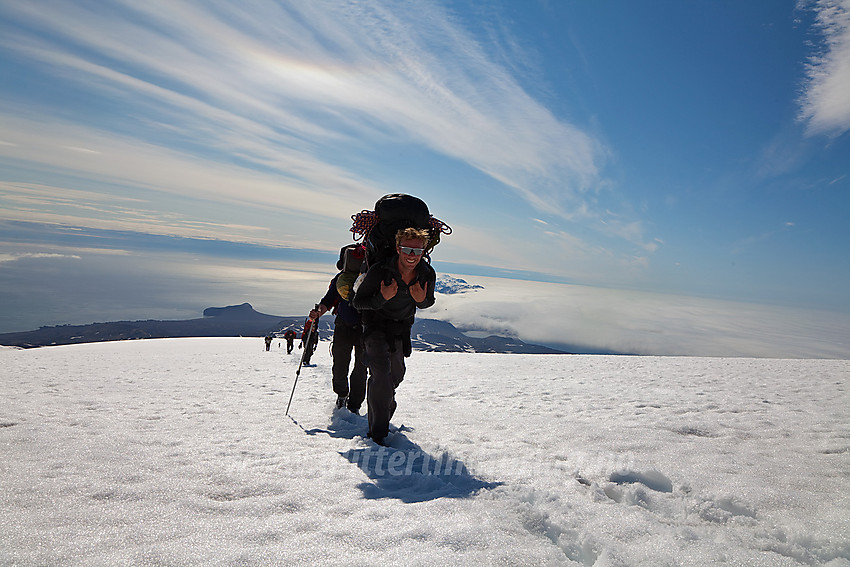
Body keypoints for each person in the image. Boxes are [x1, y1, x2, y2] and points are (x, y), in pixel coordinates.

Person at [351, 227, 436, 445]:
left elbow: (428, 301)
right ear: (398, 248)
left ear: (424, 251)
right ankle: (377, 435)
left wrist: (421, 300)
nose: (411, 255)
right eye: (407, 249)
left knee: (395, 376)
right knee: (381, 375)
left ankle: (385, 401)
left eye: (417, 251)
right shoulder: (381, 270)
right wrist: (381, 297)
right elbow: (358, 302)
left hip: (400, 330)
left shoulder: (427, 274)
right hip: (375, 327)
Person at [309, 274, 367, 414]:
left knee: (340, 364)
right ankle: (354, 404)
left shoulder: (342, 277)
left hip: (343, 324)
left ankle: (342, 396)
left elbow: (328, 299)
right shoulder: (371, 274)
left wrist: (319, 312)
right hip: (365, 327)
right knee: (361, 367)